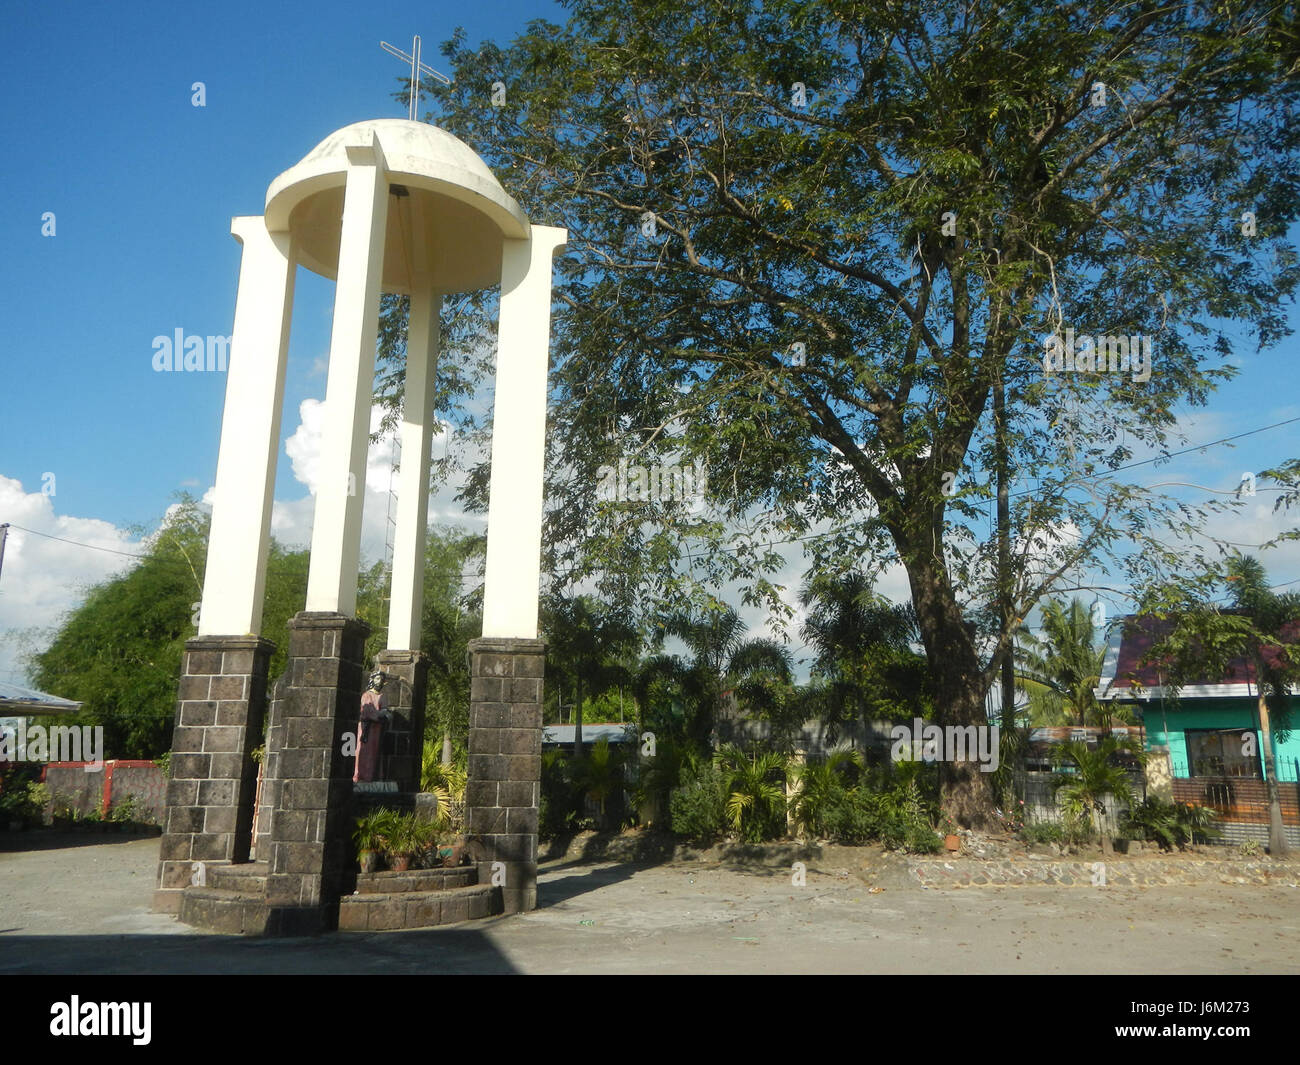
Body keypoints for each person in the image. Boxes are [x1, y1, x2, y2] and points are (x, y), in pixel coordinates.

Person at [353, 670, 390, 783]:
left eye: (382, 679)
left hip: (377, 730)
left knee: (374, 752)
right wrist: (381, 715)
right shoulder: (367, 695)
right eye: (378, 679)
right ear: (372, 680)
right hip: (367, 728)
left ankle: (373, 776)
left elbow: (386, 711)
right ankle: (362, 776)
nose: (380, 681)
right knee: (364, 751)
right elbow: (368, 712)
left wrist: (384, 715)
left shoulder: (382, 697)